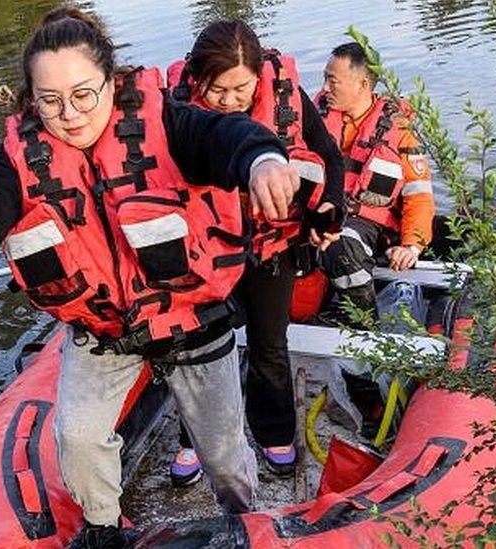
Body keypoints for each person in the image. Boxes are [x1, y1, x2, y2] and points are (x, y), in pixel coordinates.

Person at [0, 7, 303, 548]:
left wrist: (262, 160)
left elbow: (225, 135)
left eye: (83, 94)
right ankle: (103, 526)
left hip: (191, 317)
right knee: (76, 436)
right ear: (31, 98)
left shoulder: (167, 119)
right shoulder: (20, 154)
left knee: (224, 455)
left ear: (111, 82)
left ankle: (240, 519)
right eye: (50, 101)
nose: (69, 114)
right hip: (103, 331)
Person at [164, 19, 345, 484]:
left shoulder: (287, 94)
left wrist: (331, 210)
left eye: (240, 88)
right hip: (202, 249)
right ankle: (195, 439)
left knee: (269, 343)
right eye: (215, 89)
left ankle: (274, 433)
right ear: (195, 78)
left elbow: (329, 156)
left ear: (259, 77)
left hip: (272, 245)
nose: (228, 101)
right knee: (197, 346)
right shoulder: (176, 110)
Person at [316, 42, 435, 432]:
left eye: (333, 79)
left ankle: (365, 342)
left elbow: (418, 194)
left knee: (344, 247)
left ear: (362, 83)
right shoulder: (316, 116)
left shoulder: (397, 130)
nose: (326, 86)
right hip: (321, 214)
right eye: (325, 79)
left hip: (368, 224)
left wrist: (413, 242)